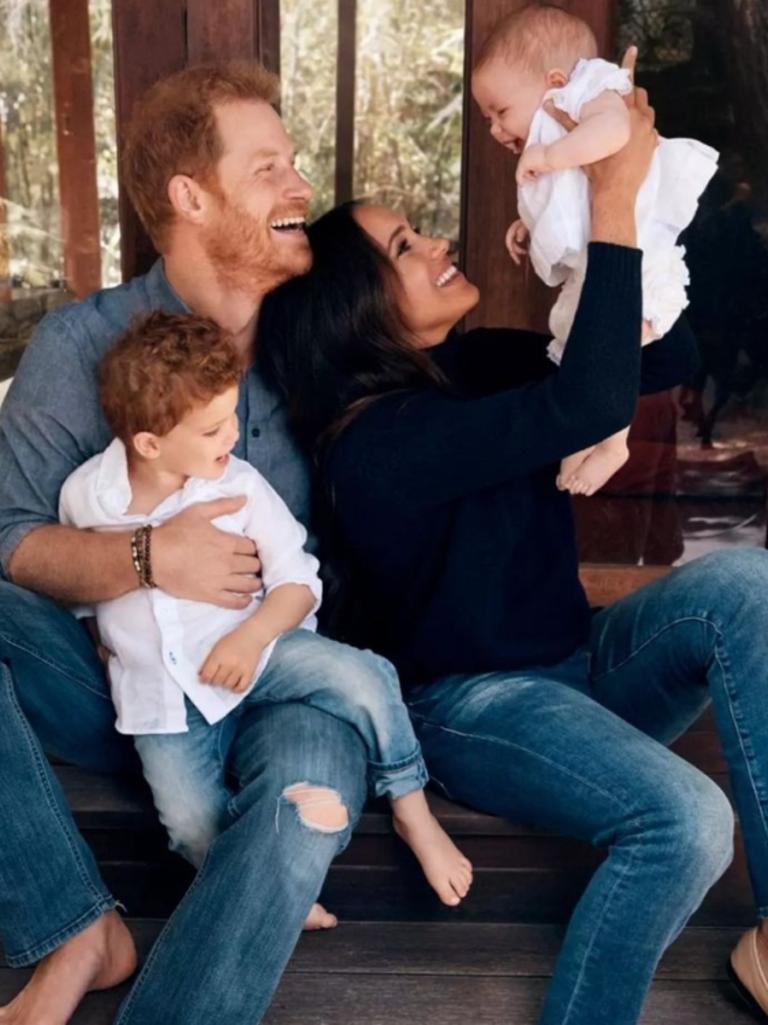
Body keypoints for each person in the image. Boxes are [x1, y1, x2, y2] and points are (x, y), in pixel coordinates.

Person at [258, 70, 768, 1025]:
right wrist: (610, 195)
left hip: (578, 665)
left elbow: (663, 357)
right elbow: (585, 403)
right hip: (473, 707)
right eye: (405, 246)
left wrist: (587, 246)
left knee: (747, 584)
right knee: (687, 821)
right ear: (351, 308)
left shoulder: (473, 363)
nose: (438, 241)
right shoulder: (375, 446)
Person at [0, 60, 384, 1025]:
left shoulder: (323, 337)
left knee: (303, 809)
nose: (302, 187)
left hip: (286, 678)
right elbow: (9, 538)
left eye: (294, 164)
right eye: (269, 169)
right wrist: (146, 559)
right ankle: (74, 926)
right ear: (190, 196)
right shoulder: (80, 345)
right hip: (132, 688)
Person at [59, 309, 472, 903]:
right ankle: (256, 889)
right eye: (211, 429)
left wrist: (250, 638)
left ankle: (411, 807)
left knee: (366, 677)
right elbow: (82, 586)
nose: (231, 436)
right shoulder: (86, 497)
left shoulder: (240, 486)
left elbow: (299, 582)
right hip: (164, 699)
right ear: (149, 443)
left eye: (232, 416)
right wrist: (102, 640)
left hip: (263, 646)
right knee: (187, 821)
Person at [471, 4, 717, 496]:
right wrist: (528, 224)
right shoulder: (557, 128)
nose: (496, 130)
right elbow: (573, 199)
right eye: (487, 119)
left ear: (555, 80)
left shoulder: (592, 92)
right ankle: (587, 432)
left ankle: (612, 441)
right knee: (578, 342)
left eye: (501, 111)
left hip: (640, 256)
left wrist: (550, 154)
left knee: (612, 345)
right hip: (603, 257)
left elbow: (615, 133)